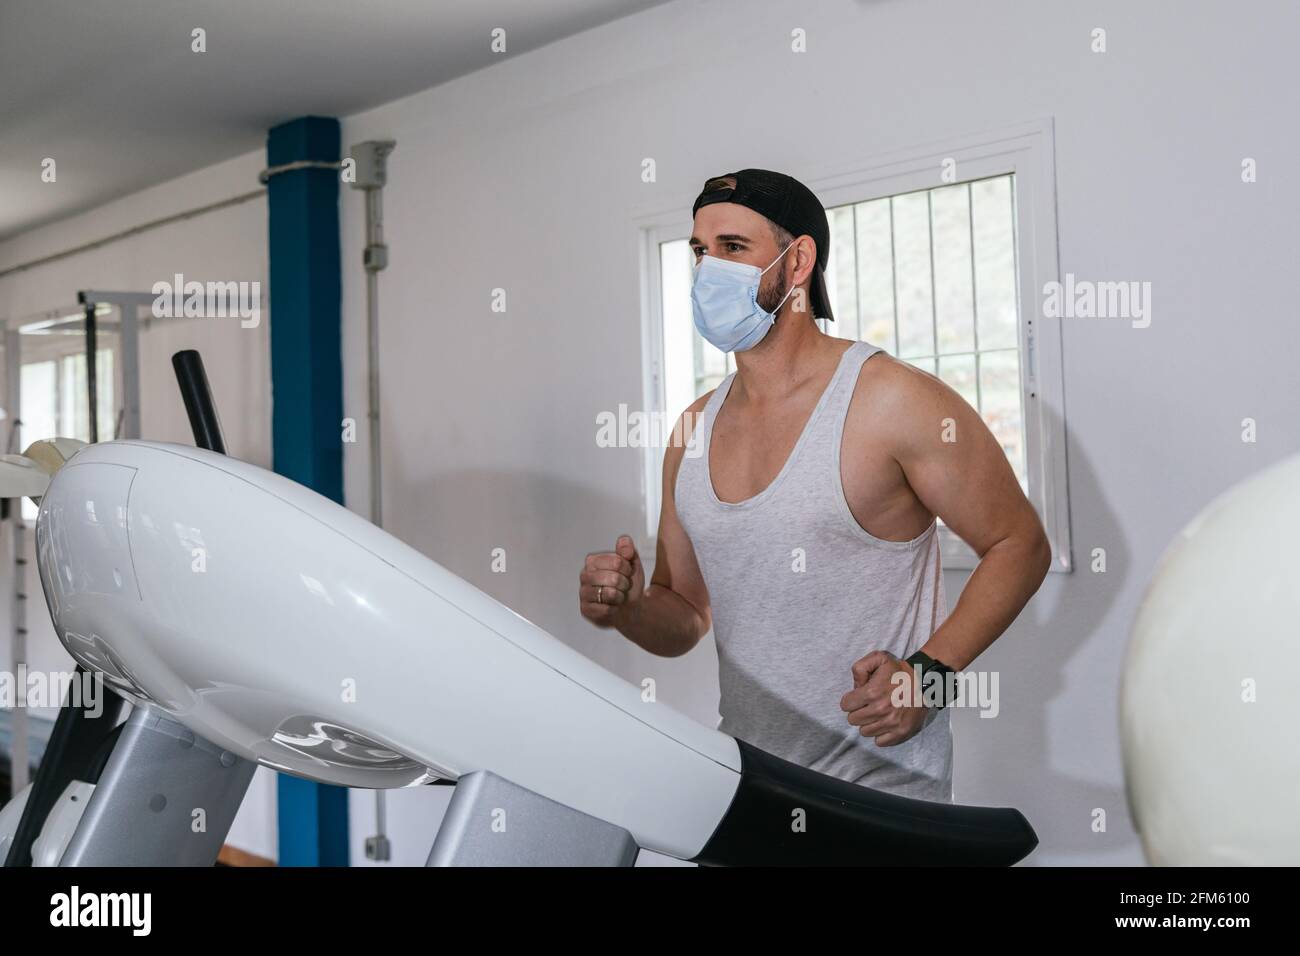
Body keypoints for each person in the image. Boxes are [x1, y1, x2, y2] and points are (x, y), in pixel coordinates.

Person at [580, 169, 1049, 803]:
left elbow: (1019, 543)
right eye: (699, 251)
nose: (707, 269)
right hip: (750, 783)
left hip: (883, 795)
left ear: (798, 260)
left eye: (733, 247)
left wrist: (929, 680)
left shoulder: (891, 401)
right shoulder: (692, 430)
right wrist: (631, 610)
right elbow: (685, 615)